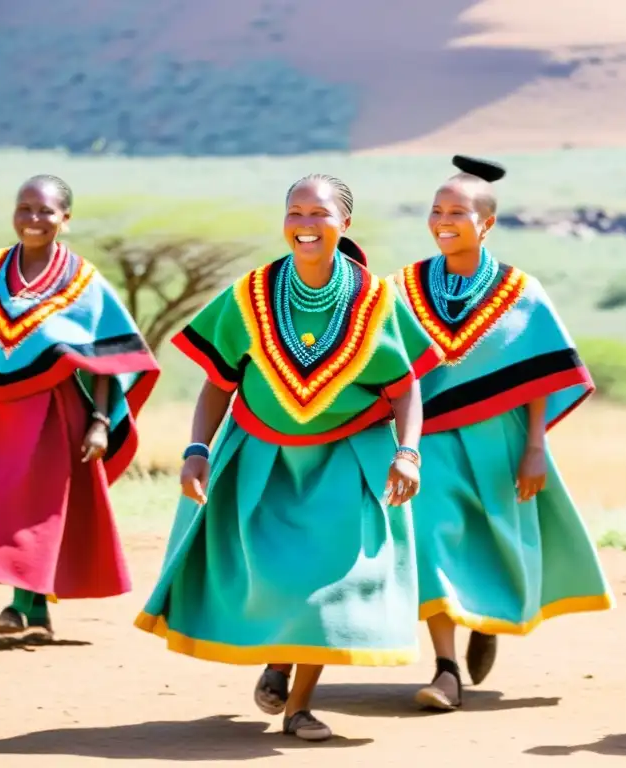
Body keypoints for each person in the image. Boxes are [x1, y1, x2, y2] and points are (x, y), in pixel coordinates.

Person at [135, 173, 442, 741]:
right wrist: (197, 450)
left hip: (344, 463)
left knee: (329, 585)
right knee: (275, 577)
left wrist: (408, 454)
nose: (305, 224)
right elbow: (218, 384)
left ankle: (299, 706)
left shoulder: (375, 301)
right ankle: (278, 658)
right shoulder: (248, 295)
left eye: (319, 213)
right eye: (295, 212)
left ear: (344, 223)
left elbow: (405, 387)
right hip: (262, 462)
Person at [401, 154, 611, 710]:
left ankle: (485, 620)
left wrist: (535, 447)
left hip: (503, 437)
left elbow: (540, 370)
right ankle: (446, 670)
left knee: (492, 536)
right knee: (432, 535)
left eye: (458, 212)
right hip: (432, 438)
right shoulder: (405, 286)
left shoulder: (522, 289)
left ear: (486, 222)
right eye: (437, 210)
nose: (444, 220)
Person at [0, 175, 160, 637]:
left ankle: (21, 607)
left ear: (65, 218)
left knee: (38, 507)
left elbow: (108, 358)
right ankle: (35, 610)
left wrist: (100, 423)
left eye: (45, 211)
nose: (33, 219)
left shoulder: (83, 281)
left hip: (52, 413)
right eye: (25, 208)